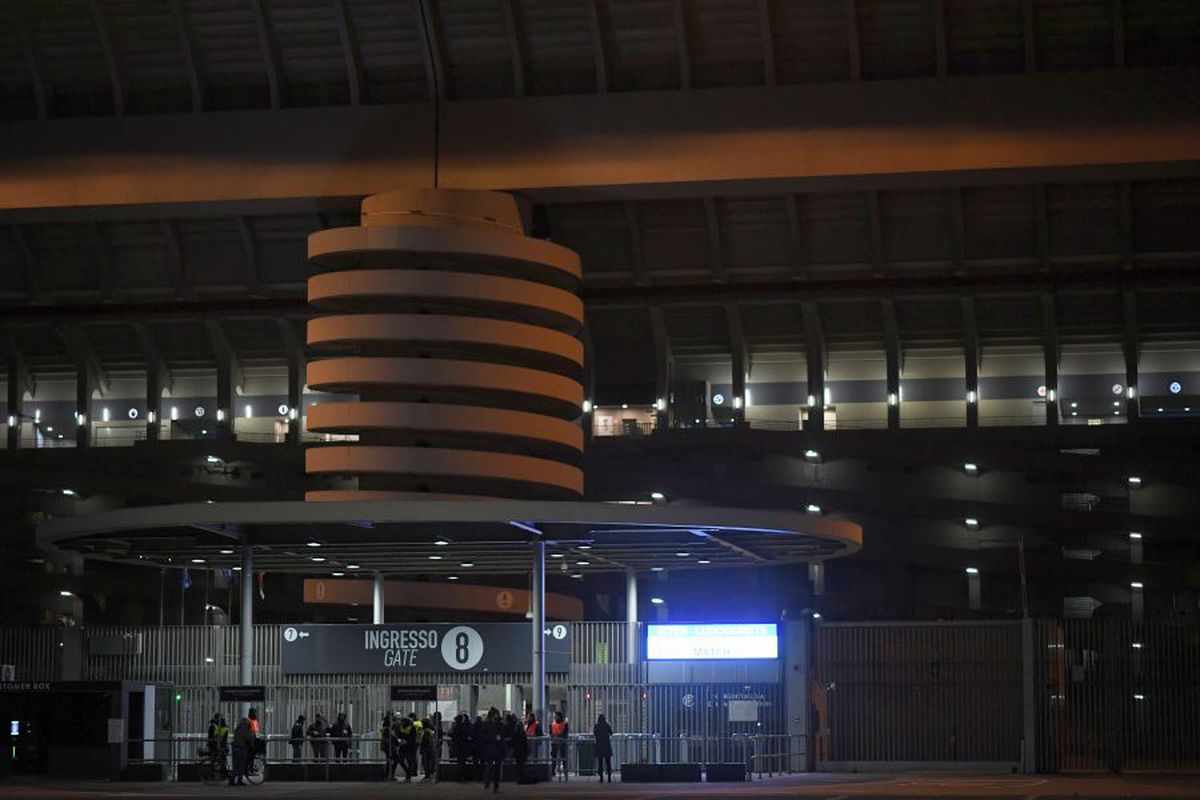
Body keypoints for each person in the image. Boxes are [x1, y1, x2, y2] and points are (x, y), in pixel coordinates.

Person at [481, 708, 506, 793]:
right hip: (492, 749)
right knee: (490, 766)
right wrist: (494, 738)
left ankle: (494, 785)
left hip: (495, 749)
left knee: (494, 767)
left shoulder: (498, 724)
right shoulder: (490, 724)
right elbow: (484, 736)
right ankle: (489, 783)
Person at [395, 712, 418, 782]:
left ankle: (408, 774)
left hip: (407, 746)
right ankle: (409, 773)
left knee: (404, 760)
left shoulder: (410, 728)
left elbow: (400, 735)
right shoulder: (410, 727)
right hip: (408, 746)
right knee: (407, 761)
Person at [230, 716, 253, 786]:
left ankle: (231, 780)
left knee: (235, 766)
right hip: (242, 748)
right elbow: (248, 738)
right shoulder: (245, 729)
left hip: (235, 748)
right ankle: (239, 781)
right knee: (241, 766)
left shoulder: (237, 729)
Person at [508, 713, 528, 783]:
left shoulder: (515, 732)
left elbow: (513, 741)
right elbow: (525, 743)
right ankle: (521, 778)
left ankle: (520, 778)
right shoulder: (522, 733)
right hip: (521, 751)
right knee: (521, 765)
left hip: (518, 751)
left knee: (519, 765)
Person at [550, 711, 570, 782]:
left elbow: (565, 733)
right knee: (554, 758)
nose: (555, 717)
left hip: (561, 742)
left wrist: (557, 736)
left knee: (563, 758)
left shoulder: (564, 724)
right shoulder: (552, 724)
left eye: (556, 716)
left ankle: (565, 772)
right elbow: (551, 733)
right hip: (555, 743)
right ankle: (553, 771)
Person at [594, 713, 614, 783]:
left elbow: (595, 734)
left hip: (599, 745)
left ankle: (601, 778)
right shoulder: (607, 725)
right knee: (608, 762)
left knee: (600, 763)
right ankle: (609, 778)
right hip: (606, 745)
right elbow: (611, 733)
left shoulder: (596, 726)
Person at [419, 716, 437, 782]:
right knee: (430, 762)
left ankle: (427, 775)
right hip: (431, 748)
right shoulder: (431, 730)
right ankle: (430, 775)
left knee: (425, 762)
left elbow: (425, 741)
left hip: (426, 749)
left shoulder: (426, 731)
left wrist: (421, 747)